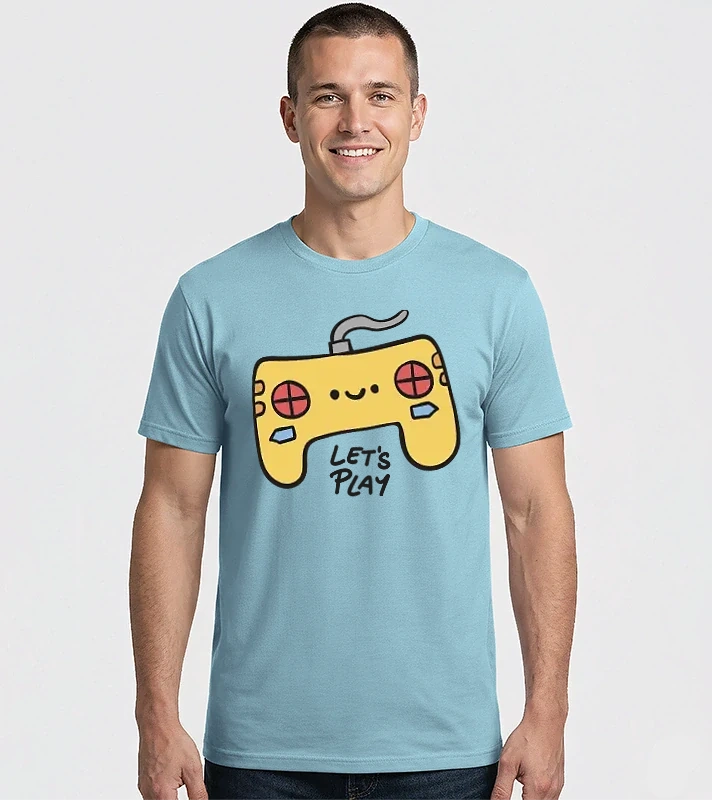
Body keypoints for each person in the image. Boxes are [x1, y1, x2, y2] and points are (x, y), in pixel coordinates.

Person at [129, 3, 577, 799]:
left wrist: (549, 711)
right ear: (290, 117)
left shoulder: (495, 295)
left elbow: (536, 512)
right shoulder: (211, 299)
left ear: (418, 114)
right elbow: (172, 509)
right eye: (328, 95)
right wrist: (155, 716)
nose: (355, 121)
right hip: (262, 748)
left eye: (380, 94)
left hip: (443, 746)